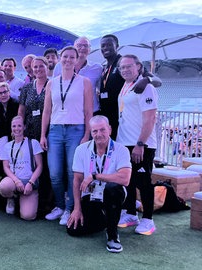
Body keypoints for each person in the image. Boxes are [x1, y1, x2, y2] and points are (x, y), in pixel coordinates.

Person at [40, 46, 93, 225]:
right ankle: (60, 206)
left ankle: (70, 208)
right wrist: (43, 135)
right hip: (55, 130)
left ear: (77, 60)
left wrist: (87, 134)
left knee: (73, 172)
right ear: (60, 59)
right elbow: (46, 111)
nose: (68, 60)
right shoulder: (52, 83)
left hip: (76, 130)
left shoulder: (84, 82)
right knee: (54, 172)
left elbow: (88, 111)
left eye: (72, 57)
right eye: (65, 56)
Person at [67, 115, 131, 253]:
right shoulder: (81, 150)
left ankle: (113, 235)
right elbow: (77, 180)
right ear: (91, 133)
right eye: (94, 131)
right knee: (73, 229)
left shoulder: (121, 150)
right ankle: (107, 219)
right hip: (91, 195)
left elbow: (125, 179)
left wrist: (95, 176)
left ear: (110, 129)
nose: (99, 134)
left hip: (113, 194)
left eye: (102, 130)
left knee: (112, 187)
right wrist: (77, 208)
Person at [116, 54, 159, 235]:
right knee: (129, 181)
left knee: (143, 182)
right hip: (124, 142)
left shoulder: (146, 87)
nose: (125, 70)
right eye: (122, 67)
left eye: (128, 66)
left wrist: (140, 144)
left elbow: (150, 118)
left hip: (141, 143)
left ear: (138, 66)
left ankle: (148, 219)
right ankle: (131, 214)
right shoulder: (126, 86)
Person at [98, 34, 161, 139]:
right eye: (103, 46)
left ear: (117, 46)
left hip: (120, 118)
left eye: (109, 45)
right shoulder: (105, 67)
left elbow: (158, 81)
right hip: (107, 117)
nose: (105, 48)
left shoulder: (125, 63)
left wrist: (146, 80)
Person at [17, 56, 54, 215]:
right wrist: (20, 128)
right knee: (33, 166)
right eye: (35, 67)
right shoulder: (27, 88)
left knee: (48, 168)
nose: (38, 69)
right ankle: (33, 198)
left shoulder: (53, 84)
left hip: (49, 133)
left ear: (47, 67)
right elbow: (21, 110)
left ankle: (49, 202)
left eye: (41, 66)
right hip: (31, 132)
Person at [0, 116, 43, 220]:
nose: (16, 128)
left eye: (19, 126)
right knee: (4, 186)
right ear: (11, 128)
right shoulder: (7, 146)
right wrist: (16, 181)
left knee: (28, 216)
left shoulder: (33, 143)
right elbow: (6, 166)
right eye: (14, 126)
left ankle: (23, 199)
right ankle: (11, 197)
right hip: (14, 181)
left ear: (24, 127)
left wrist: (31, 182)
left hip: (29, 182)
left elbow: (40, 166)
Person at [53, 37, 103, 113]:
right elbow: (54, 89)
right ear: (74, 47)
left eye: (86, 46)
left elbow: (101, 88)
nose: (82, 48)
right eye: (79, 45)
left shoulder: (97, 68)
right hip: (68, 113)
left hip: (91, 112)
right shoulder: (59, 66)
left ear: (89, 49)